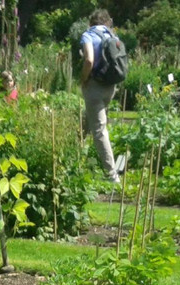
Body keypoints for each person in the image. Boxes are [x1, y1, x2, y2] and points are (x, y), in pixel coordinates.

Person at [79, 9, 120, 183]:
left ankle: (111, 173)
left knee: (99, 130)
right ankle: (74, 155)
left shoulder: (88, 35)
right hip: (110, 86)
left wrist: (83, 79)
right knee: (88, 121)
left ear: (91, 22)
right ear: (106, 22)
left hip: (94, 85)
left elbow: (89, 60)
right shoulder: (113, 36)